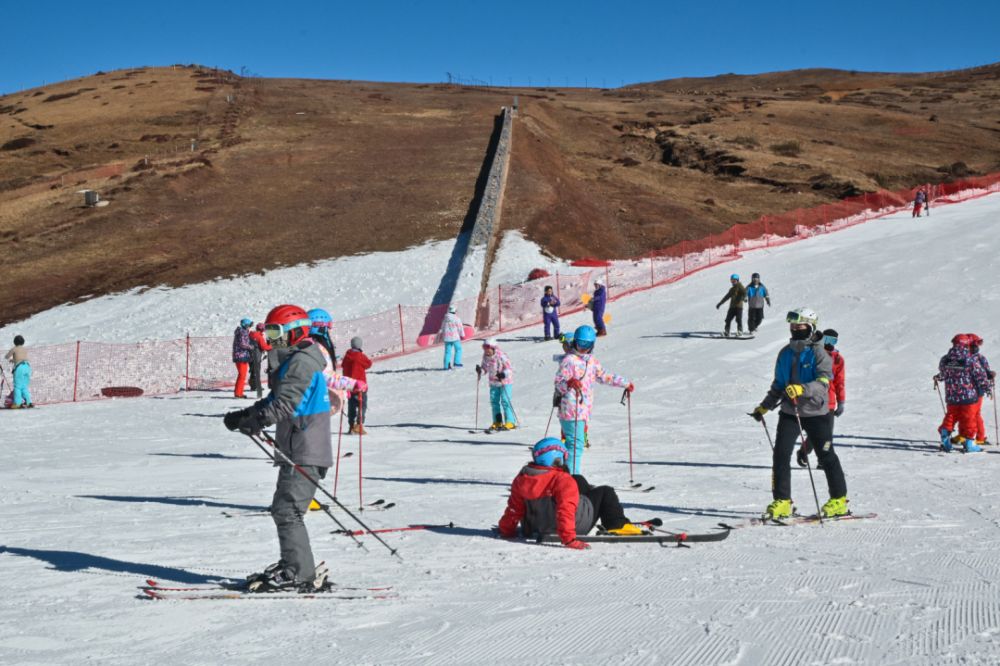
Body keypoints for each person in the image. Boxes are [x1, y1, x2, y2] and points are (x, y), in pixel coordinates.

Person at [224, 304, 365, 593]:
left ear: (295, 332)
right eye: (269, 332)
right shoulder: (295, 360)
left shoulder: (300, 362)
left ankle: (299, 571)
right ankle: (294, 564)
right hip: (299, 445)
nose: (271, 339)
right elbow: (277, 399)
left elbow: (284, 404)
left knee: (288, 511)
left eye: (276, 333)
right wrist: (246, 415)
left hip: (305, 446)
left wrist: (257, 420)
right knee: (284, 509)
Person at [750, 308, 849, 519]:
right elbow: (779, 384)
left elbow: (823, 384)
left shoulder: (819, 353)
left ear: (810, 327)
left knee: (826, 456)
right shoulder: (785, 353)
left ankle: (839, 500)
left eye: (800, 326)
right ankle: (783, 501)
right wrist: (765, 406)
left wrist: (801, 389)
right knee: (780, 454)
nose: (795, 329)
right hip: (790, 411)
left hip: (817, 413)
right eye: (793, 326)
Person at [497, 438, 643, 549]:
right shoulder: (561, 479)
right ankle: (617, 524)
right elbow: (565, 510)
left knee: (578, 479)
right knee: (606, 492)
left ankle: (587, 494)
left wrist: (506, 530)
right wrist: (569, 539)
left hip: (534, 526)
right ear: (557, 458)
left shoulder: (522, 477)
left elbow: (514, 509)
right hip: (570, 527)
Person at [554, 325, 633, 473]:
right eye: (580, 344)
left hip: (583, 410)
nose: (583, 348)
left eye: (587, 345)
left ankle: (564, 476)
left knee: (574, 444)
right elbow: (559, 384)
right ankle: (572, 478)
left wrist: (625, 383)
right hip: (570, 409)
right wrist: (569, 383)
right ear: (575, 342)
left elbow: (604, 376)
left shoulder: (591, 361)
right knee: (576, 445)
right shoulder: (569, 360)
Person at [797, 328, 845, 468]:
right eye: (827, 339)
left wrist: (841, 401)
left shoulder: (838, 359)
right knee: (816, 432)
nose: (829, 343)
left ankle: (823, 459)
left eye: (833, 341)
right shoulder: (814, 353)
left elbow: (839, 382)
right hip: (814, 400)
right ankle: (804, 452)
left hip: (829, 402)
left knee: (827, 435)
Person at [936, 334, 990, 453]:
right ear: (966, 344)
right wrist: (986, 387)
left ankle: (945, 440)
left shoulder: (945, 359)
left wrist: (938, 377)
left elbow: (943, 374)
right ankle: (969, 444)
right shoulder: (970, 359)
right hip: (968, 396)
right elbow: (980, 375)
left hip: (952, 396)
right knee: (969, 418)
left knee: (951, 416)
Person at [478, 338, 516, 430]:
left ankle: (510, 422)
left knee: (505, 401)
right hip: (493, 382)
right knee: (494, 402)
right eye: (484, 348)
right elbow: (485, 369)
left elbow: (509, 369)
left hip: (505, 382)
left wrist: (503, 374)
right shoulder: (485, 357)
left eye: (488, 349)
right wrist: (480, 370)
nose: (486, 351)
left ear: (493, 348)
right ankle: (497, 422)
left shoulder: (501, 356)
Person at [968, 334, 995, 447]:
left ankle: (979, 437)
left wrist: (990, 375)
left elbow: (986, 372)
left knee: (974, 413)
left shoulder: (979, 358)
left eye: (977, 345)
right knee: (966, 413)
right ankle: (969, 436)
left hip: (975, 390)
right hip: (965, 390)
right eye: (973, 345)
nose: (976, 347)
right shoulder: (968, 358)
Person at [342, 337, 372, 435]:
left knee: (351, 405)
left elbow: (343, 366)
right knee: (362, 405)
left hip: (349, 385)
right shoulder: (360, 356)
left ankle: (351, 425)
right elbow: (368, 364)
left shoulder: (347, 356)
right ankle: (359, 425)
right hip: (360, 385)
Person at [4, 335, 32, 409]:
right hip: (27, 367)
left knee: (18, 387)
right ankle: (29, 402)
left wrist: (10, 357)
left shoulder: (15, 348)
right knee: (24, 387)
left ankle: (17, 403)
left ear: (15, 342)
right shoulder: (24, 349)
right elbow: (21, 358)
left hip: (19, 368)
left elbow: (6, 356)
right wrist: (14, 360)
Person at [248, 323, 272, 399]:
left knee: (252, 371)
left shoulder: (250, 334)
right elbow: (264, 347)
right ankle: (256, 386)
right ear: (262, 329)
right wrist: (271, 346)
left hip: (249, 355)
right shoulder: (259, 337)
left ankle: (253, 386)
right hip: (256, 356)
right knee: (256, 372)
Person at [232, 318, 253, 398]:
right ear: (246, 325)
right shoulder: (243, 332)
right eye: (249, 325)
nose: (250, 327)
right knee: (242, 375)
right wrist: (251, 347)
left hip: (240, 355)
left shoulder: (241, 332)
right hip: (241, 355)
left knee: (242, 375)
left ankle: (239, 392)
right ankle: (238, 393)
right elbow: (243, 344)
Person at [440, 305, 466, 370]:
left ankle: (446, 366)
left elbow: (442, 328)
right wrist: (462, 335)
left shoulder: (445, 319)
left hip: (447, 337)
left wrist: (443, 335)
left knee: (447, 352)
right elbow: (460, 327)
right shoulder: (456, 318)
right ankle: (457, 362)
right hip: (455, 337)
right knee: (458, 349)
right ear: (454, 311)